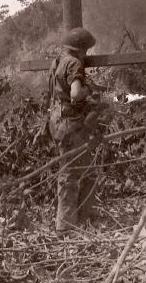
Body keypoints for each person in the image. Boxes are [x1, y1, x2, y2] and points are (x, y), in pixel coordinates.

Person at [48, 27, 100, 236]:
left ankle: (83, 216)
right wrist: (90, 90)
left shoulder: (58, 61)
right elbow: (76, 93)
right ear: (80, 49)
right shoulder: (74, 63)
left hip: (58, 121)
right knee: (70, 174)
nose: (86, 54)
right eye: (85, 50)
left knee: (85, 169)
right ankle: (65, 226)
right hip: (70, 124)